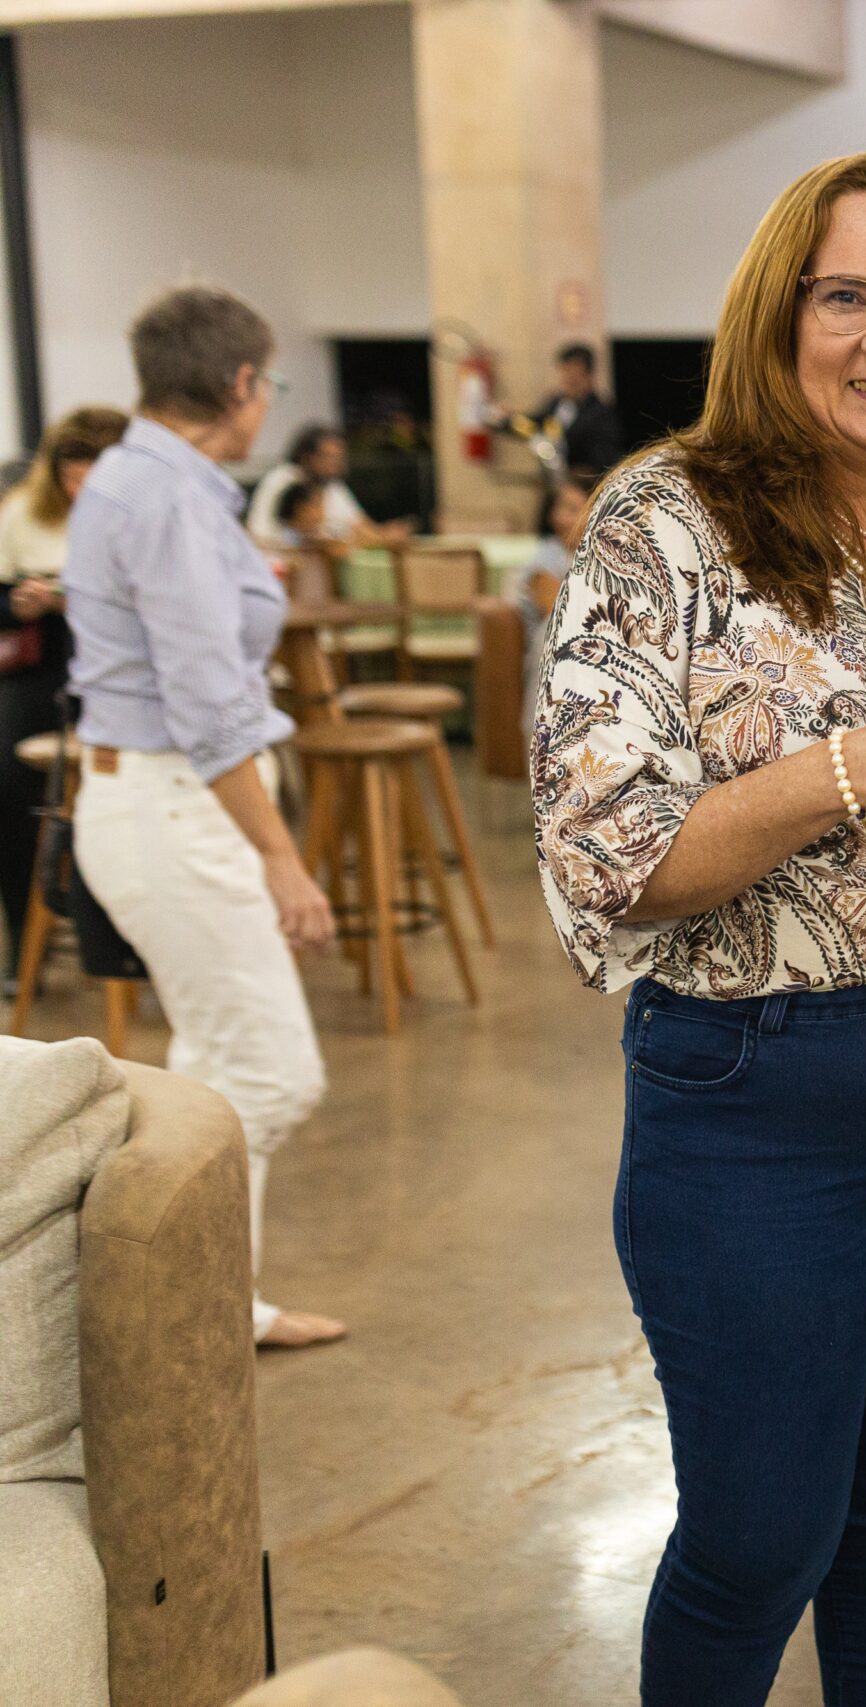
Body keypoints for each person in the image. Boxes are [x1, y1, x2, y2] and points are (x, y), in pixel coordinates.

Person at [529, 152, 866, 1707]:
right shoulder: (668, 520)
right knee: (762, 1531)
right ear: (780, 316)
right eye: (848, 296)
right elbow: (606, 857)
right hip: (752, 1086)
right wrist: (843, 770)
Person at [61, 286, 344, 1348]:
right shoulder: (167, 497)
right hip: (176, 802)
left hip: (164, 799)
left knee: (214, 1068)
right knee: (267, 1075)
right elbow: (209, 703)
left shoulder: (150, 479)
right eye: (269, 381)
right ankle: (183, 1320)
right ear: (240, 383)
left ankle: (201, 1309)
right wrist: (283, 860)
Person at [0, 405, 128, 985]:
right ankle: (24, 939)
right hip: (43, 665)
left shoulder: (141, 516)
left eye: (91, 476)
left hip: (122, 672)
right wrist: (19, 604)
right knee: (12, 788)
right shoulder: (23, 512)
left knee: (124, 793)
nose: (79, 489)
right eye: (70, 476)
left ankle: (125, 936)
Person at [508, 467, 594, 740]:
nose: (564, 517)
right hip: (552, 665)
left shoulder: (601, 558)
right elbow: (557, 616)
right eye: (564, 508)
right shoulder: (546, 559)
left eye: (576, 509)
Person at [246, 422, 409, 550]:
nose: (334, 465)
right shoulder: (283, 479)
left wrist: (384, 534)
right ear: (307, 457)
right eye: (328, 457)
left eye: (339, 458)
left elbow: (360, 525)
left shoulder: (332, 485)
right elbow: (259, 534)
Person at [518, 341, 625, 470]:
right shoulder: (556, 403)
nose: (569, 380)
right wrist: (508, 418)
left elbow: (606, 455)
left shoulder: (601, 412)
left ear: (588, 375)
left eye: (575, 375)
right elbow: (532, 425)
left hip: (584, 477)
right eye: (565, 372)